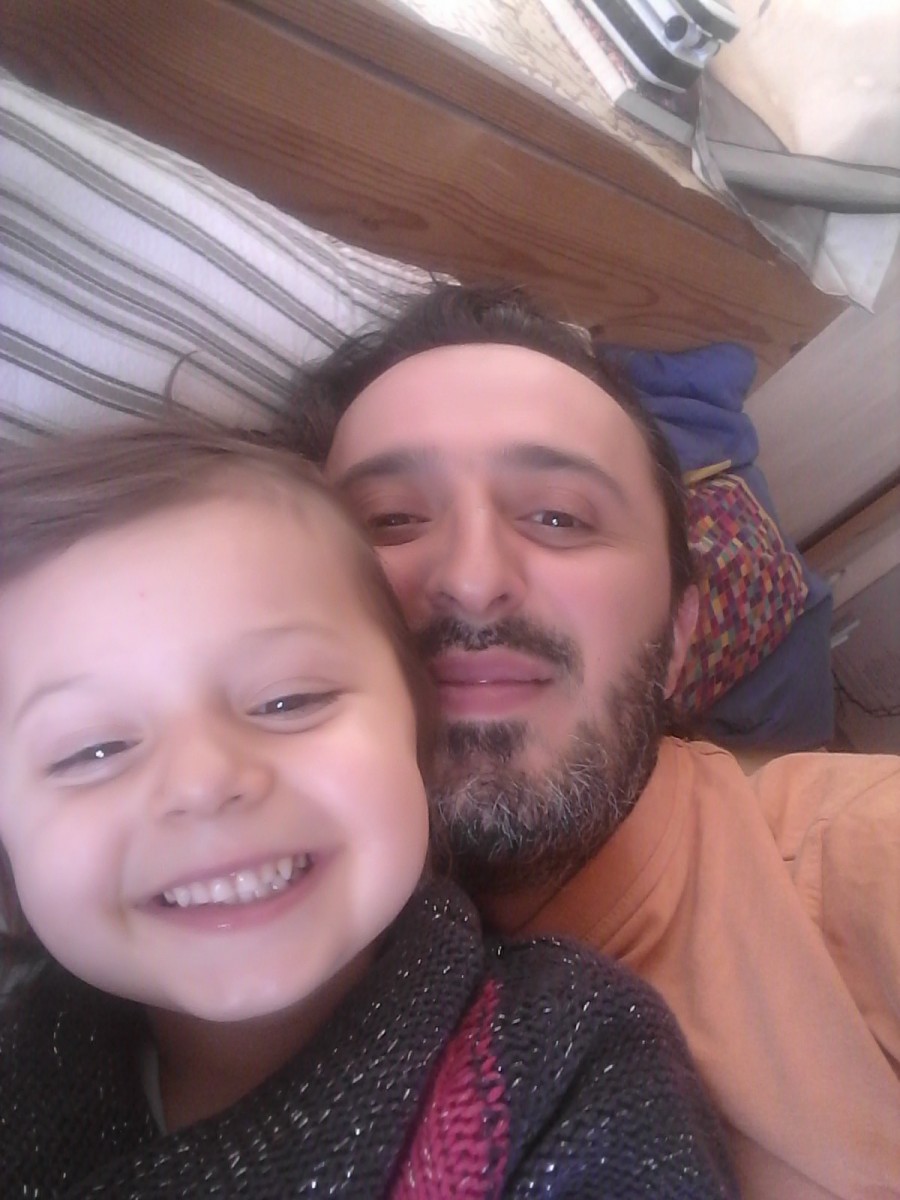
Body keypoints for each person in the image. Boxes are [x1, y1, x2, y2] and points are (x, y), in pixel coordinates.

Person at [0, 425, 736, 1199]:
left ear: (420, 733)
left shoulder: (566, 1055)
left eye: (289, 700)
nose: (204, 781)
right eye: (90, 750)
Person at [281, 283, 900, 1200]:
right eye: (390, 521)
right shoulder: (220, 969)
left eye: (560, 517)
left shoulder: (861, 852)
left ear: (679, 636)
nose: (471, 579)